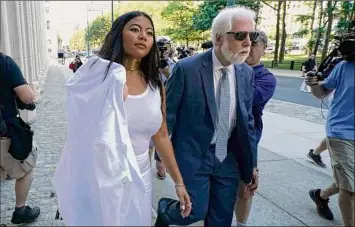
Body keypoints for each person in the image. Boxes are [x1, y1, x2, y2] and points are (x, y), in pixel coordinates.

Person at [52, 11, 191, 226]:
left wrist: (179, 183)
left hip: (141, 176)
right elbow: (80, 125)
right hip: (101, 178)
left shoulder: (155, 84)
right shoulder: (99, 75)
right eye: (135, 29)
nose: (143, 36)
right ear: (119, 35)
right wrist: (107, 97)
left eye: (149, 32)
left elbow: (161, 135)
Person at [155, 7, 258, 227]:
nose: (248, 42)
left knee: (221, 219)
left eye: (252, 35)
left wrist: (252, 164)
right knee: (194, 211)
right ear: (220, 38)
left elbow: (247, 122)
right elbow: (167, 117)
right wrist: (160, 157)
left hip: (228, 158)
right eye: (240, 35)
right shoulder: (186, 69)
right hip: (193, 155)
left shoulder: (246, 73)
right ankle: (165, 210)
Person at [306, 56, 354, 226]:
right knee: (349, 188)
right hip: (342, 132)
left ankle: (320, 196)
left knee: (349, 181)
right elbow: (322, 92)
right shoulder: (345, 66)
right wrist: (312, 83)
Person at [234, 31, 276, 226]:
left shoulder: (266, 78)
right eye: (245, 43)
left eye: (254, 45)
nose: (248, 48)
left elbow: (246, 100)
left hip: (246, 140)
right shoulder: (229, 68)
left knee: (245, 187)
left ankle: (241, 223)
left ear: (263, 49)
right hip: (217, 138)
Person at [0, 52, 40, 224]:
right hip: (4, 131)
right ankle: (20, 210)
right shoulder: (3, 62)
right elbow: (26, 96)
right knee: (27, 164)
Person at [154, 36, 176, 180]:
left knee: (163, 137)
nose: (163, 51)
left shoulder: (175, 65)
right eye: (160, 48)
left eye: (166, 47)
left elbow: (177, 84)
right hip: (152, 106)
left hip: (167, 107)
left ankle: (161, 167)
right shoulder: (148, 64)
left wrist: (167, 73)